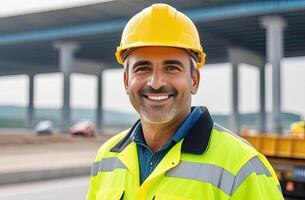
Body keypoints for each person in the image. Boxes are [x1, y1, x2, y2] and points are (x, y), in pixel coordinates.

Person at [86, 3, 283, 200]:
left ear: (194, 80)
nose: (155, 82)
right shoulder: (106, 158)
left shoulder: (242, 166)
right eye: (142, 68)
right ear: (127, 81)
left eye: (171, 68)